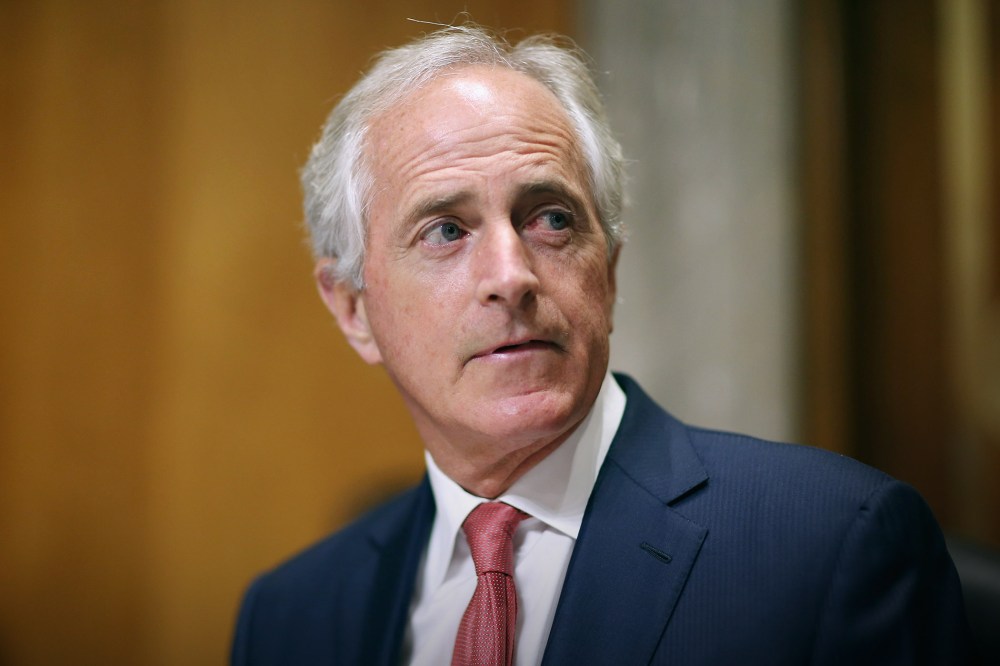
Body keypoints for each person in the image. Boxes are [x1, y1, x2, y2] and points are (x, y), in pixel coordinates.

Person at [231, 25, 971, 665]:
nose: (511, 276)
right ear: (354, 308)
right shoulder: (290, 615)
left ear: (608, 273)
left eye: (551, 219)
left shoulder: (833, 544)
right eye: (447, 231)